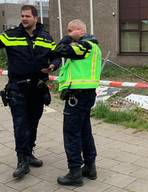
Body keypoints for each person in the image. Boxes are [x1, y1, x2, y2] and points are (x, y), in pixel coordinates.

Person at [0, 5, 61, 178]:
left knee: (33, 123)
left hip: (38, 89)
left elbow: (57, 56)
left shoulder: (46, 38)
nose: (24, 19)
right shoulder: (10, 36)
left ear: (36, 18)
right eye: (22, 16)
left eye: (27, 16)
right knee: (20, 125)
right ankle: (22, 161)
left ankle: (29, 153)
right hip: (17, 89)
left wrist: (53, 65)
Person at [54, 19, 102, 186]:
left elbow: (59, 50)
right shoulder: (92, 46)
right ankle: (90, 167)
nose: (67, 34)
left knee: (71, 133)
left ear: (79, 30)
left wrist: (68, 38)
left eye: (69, 31)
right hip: (86, 95)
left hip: (78, 96)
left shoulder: (85, 46)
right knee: (84, 131)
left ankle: (75, 173)